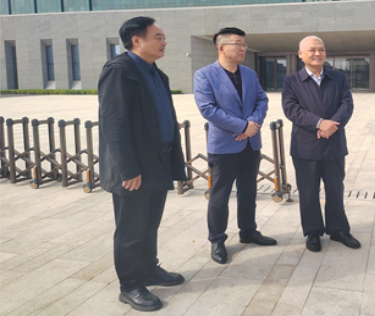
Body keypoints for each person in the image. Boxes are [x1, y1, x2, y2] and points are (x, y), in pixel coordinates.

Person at [98, 16, 187, 312]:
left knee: (150, 224)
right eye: (158, 37)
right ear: (136, 40)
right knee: (131, 230)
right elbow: (113, 123)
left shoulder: (157, 74)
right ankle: (130, 285)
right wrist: (128, 169)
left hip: (157, 161)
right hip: (133, 169)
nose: (164, 42)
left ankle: (149, 269)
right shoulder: (119, 71)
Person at [193, 27, 275, 265]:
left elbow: (261, 99)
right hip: (224, 145)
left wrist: (253, 124)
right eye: (238, 44)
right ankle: (217, 239)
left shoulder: (249, 73)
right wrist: (241, 126)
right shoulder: (204, 75)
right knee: (220, 195)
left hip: (251, 143)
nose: (243, 48)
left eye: (244, 44)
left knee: (249, 191)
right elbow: (208, 109)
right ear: (222, 47)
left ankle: (248, 231)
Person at [282, 35, 360, 252]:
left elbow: (347, 104)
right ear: (301, 54)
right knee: (308, 191)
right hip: (306, 146)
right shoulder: (292, 81)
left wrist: (331, 125)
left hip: (334, 143)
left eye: (321, 49)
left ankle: (339, 230)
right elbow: (291, 109)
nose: (318, 53)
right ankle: (313, 232)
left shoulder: (338, 77)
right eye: (312, 50)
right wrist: (319, 123)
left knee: (335, 189)